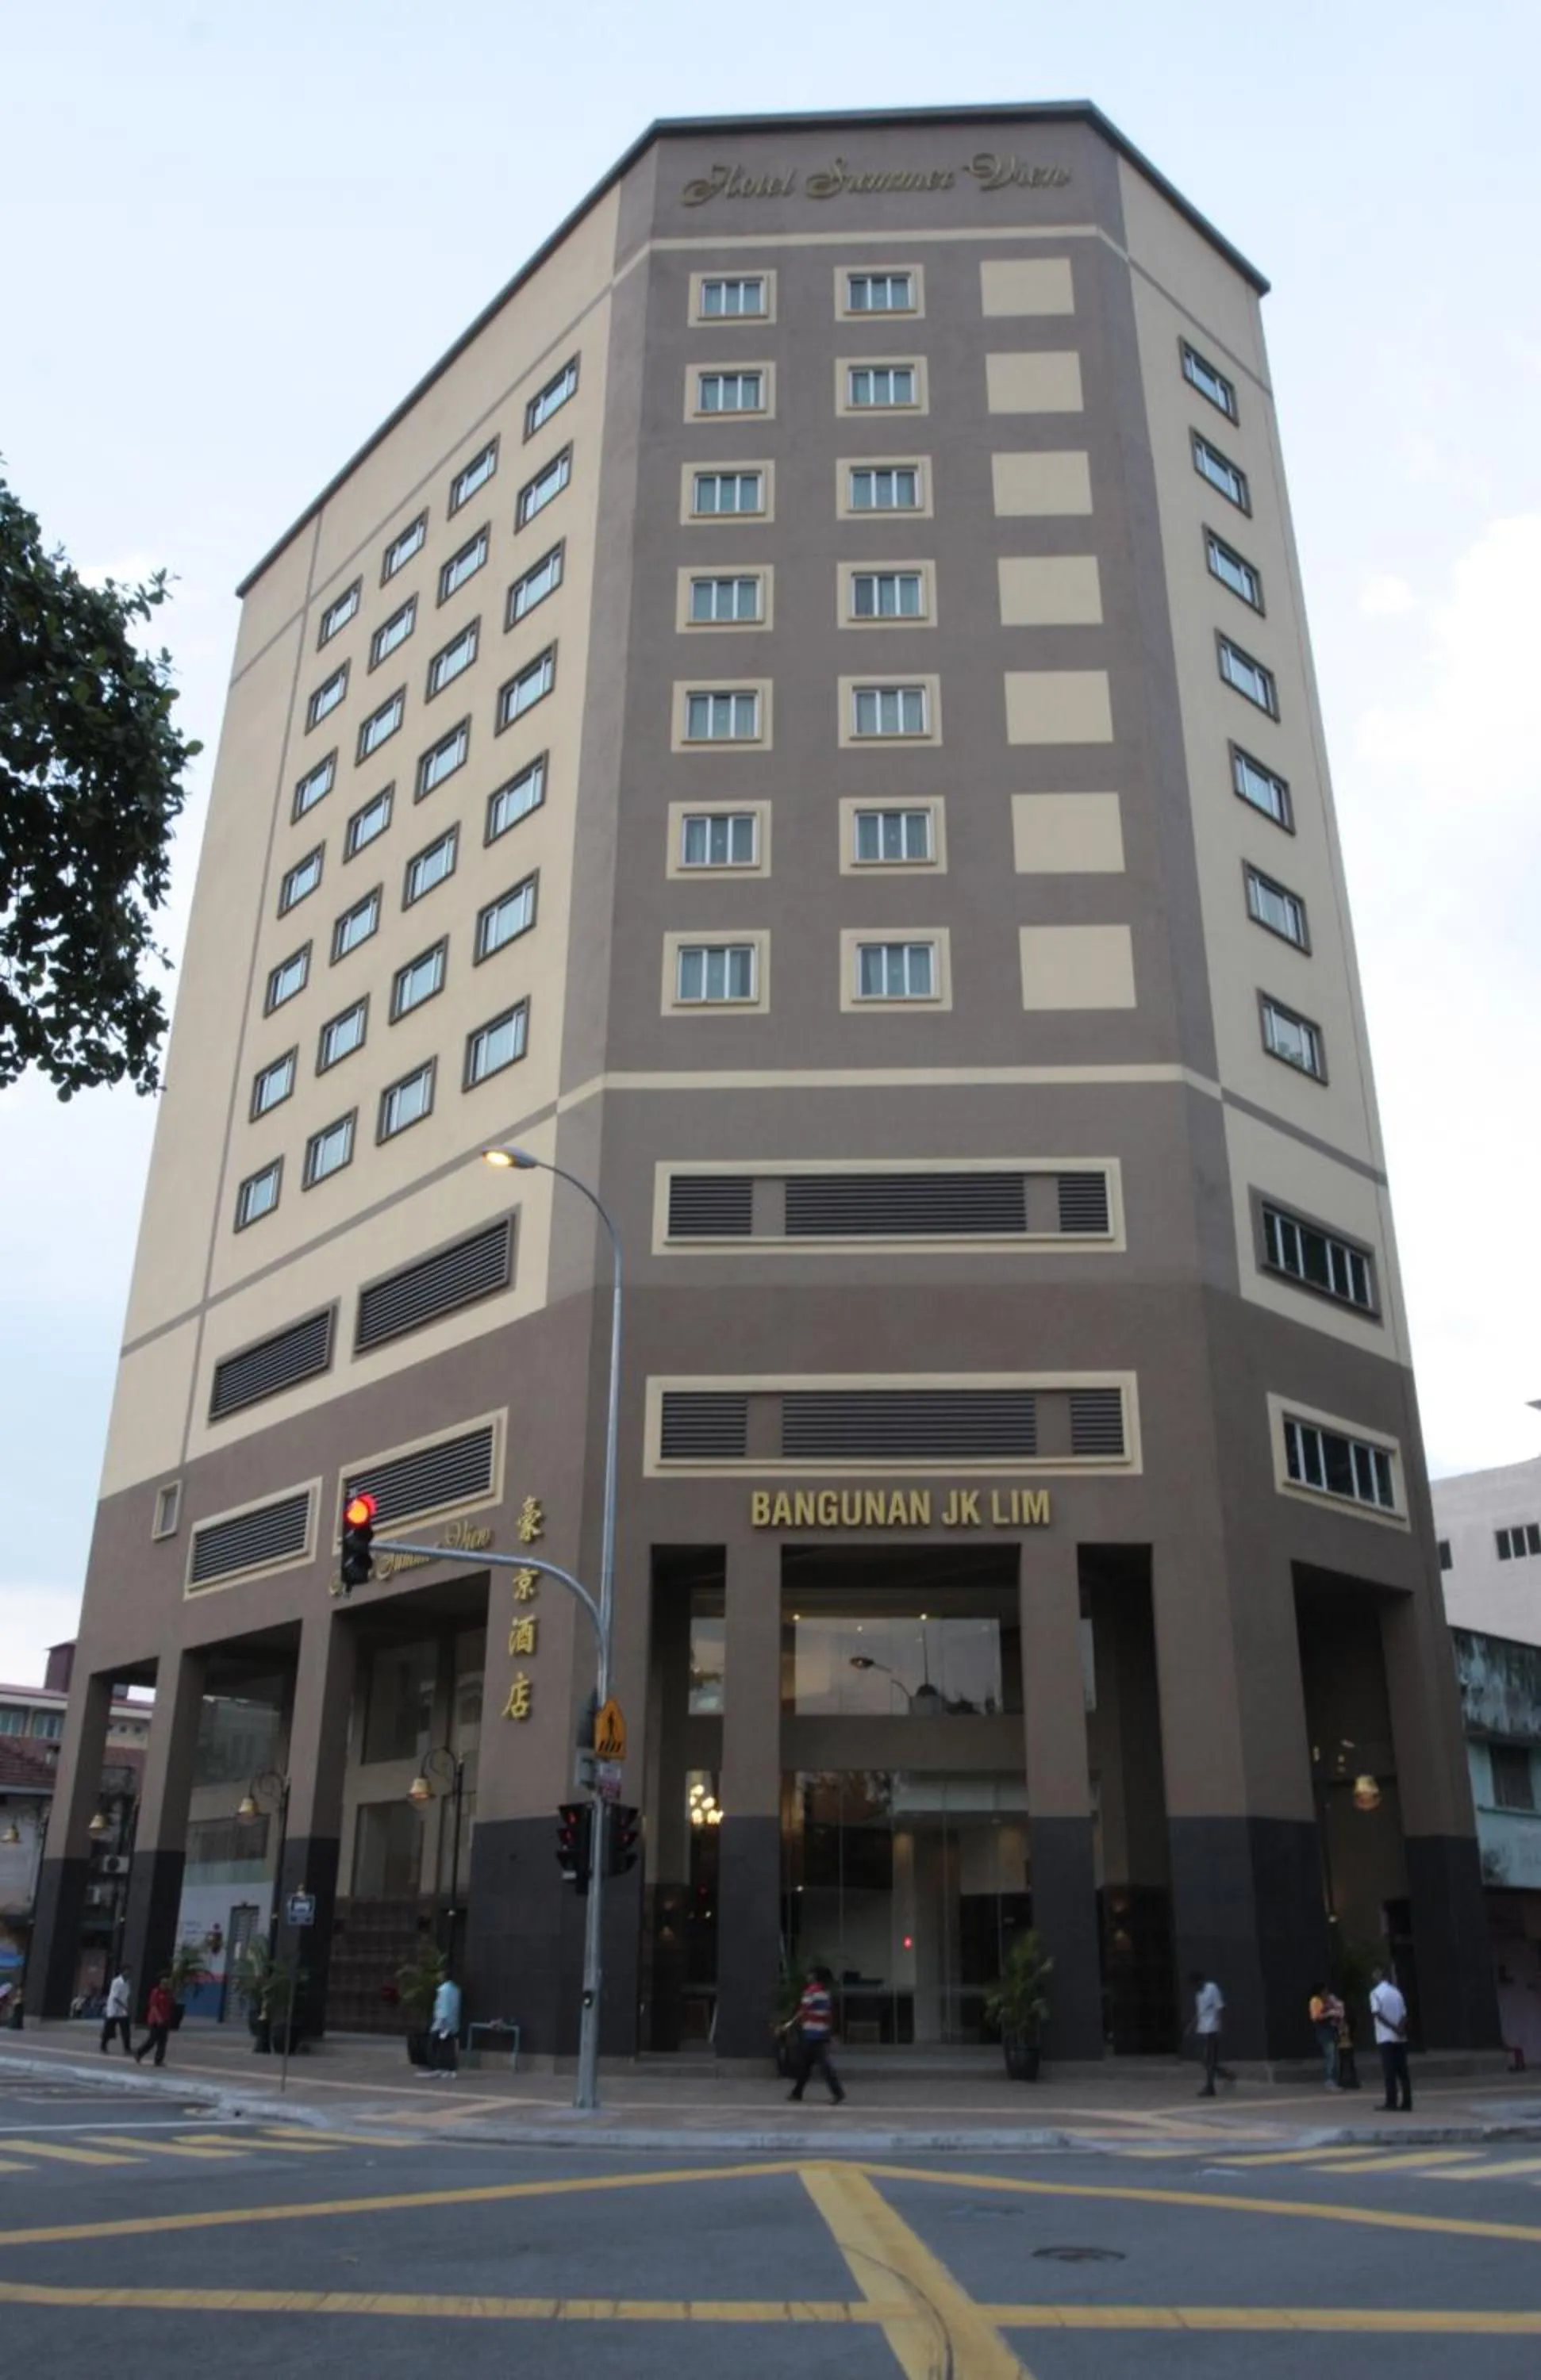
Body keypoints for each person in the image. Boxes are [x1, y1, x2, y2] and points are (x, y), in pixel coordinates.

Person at [786, 1965, 845, 2105]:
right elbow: (827, 2015)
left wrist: (789, 2024)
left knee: (822, 2065)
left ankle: (837, 2092)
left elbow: (803, 2010)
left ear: (814, 1976)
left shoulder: (810, 1992)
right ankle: (797, 2092)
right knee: (806, 2065)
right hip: (822, 2031)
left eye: (810, 1974)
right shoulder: (825, 1992)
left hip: (811, 2032)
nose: (807, 1976)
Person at [1369, 1965, 1412, 2111]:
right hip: (1400, 2038)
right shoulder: (1396, 1992)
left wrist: (1393, 2028)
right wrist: (1400, 2028)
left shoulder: (1375, 1993)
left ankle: (1391, 2102)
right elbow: (1404, 2014)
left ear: (1377, 1978)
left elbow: (1377, 2014)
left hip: (1385, 2037)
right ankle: (1407, 2102)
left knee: (1389, 2072)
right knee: (1403, 2072)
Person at [1189, 1971, 1235, 2097]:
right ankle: (1224, 2073)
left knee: (1209, 2058)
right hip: (1202, 2028)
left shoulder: (1212, 1988)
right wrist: (1191, 2026)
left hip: (1212, 2028)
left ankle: (1210, 2087)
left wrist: (1221, 2026)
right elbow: (1200, 2012)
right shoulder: (1198, 1995)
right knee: (1203, 2059)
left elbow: (1220, 2007)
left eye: (1195, 1985)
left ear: (1199, 1982)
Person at [1309, 1983, 1346, 2089]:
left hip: (1332, 2030)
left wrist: (1338, 2008)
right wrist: (1328, 2014)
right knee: (1331, 2056)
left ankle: (1336, 2080)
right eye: (1324, 1991)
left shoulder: (1329, 1999)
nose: (1326, 1992)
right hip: (1324, 2031)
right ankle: (1330, 2080)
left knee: (1335, 2056)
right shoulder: (1316, 2001)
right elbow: (1315, 2017)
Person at [134, 1974, 175, 2067]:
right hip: (155, 2021)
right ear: (161, 1984)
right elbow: (154, 2006)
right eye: (164, 1984)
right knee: (152, 2040)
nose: (166, 1986)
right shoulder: (156, 1992)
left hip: (165, 2020)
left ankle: (158, 2060)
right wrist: (158, 2018)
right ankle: (139, 2053)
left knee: (162, 2042)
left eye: (167, 1984)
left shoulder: (168, 1994)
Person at [428, 1969, 462, 2077]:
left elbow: (443, 2008)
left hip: (443, 2023)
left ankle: (439, 2067)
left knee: (436, 2045)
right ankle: (450, 2069)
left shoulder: (443, 1990)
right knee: (449, 2046)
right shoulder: (455, 1989)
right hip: (452, 2023)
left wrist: (440, 2023)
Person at [100, 1965, 132, 2054]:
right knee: (108, 2029)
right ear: (123, 1972)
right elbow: (115, 1998)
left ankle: (127, 2049)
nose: (129, 1973)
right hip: (114, 2009)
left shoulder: (127, 1982)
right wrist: (124, 2006)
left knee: (126, 2030)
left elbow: (126, 1996)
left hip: (123, 2010)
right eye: (127, 1971)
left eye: (130, 1971)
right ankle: (103, 2046)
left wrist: (126, 2007)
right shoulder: (117, 1982)